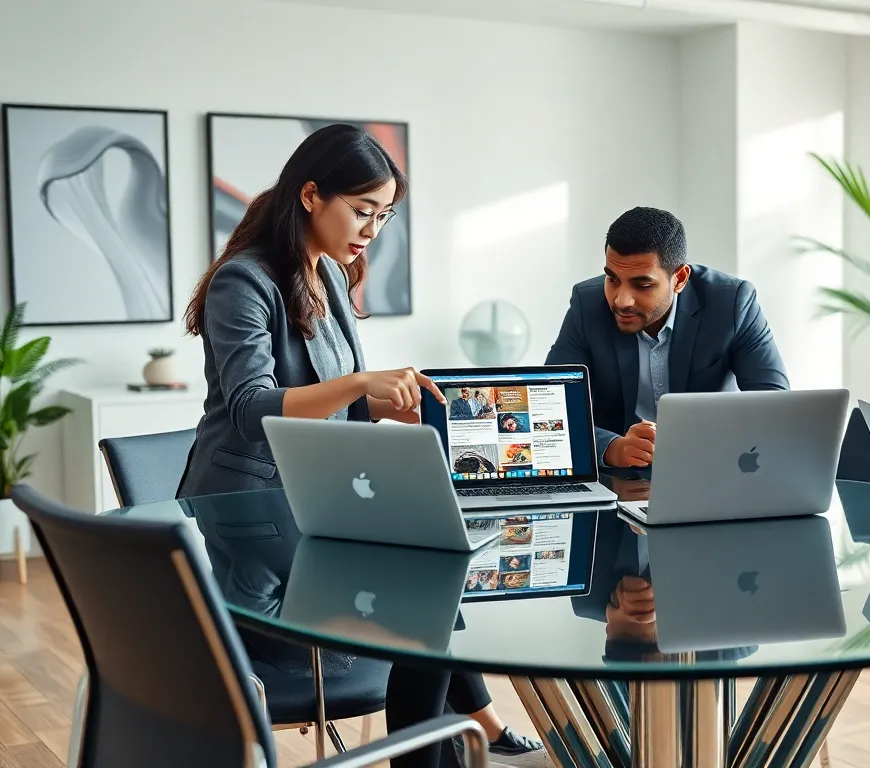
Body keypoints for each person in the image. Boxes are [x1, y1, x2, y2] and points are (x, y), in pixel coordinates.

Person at [175, 124, 539, 767]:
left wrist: (386, 405)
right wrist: (363, 382)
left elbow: (334, 403)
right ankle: (461, 731)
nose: (372, 229)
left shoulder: (331, 276)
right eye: (363, 210)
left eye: (384, 215)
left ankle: (446, 740)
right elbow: (253, 406)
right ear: (311, 195)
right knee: (421, 601)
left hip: (319, 488)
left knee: (437, 573)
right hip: (253, 503)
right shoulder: (245, 281)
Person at [546, 206, 789, 467]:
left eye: (642, 285)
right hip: (620, 478)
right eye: (612, 279)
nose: (621, 300)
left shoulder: (732, 302)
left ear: (680, 278)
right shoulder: (587, 304)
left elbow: (773, 405)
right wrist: (611, 447)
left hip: (712, 467)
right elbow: (552, 407)